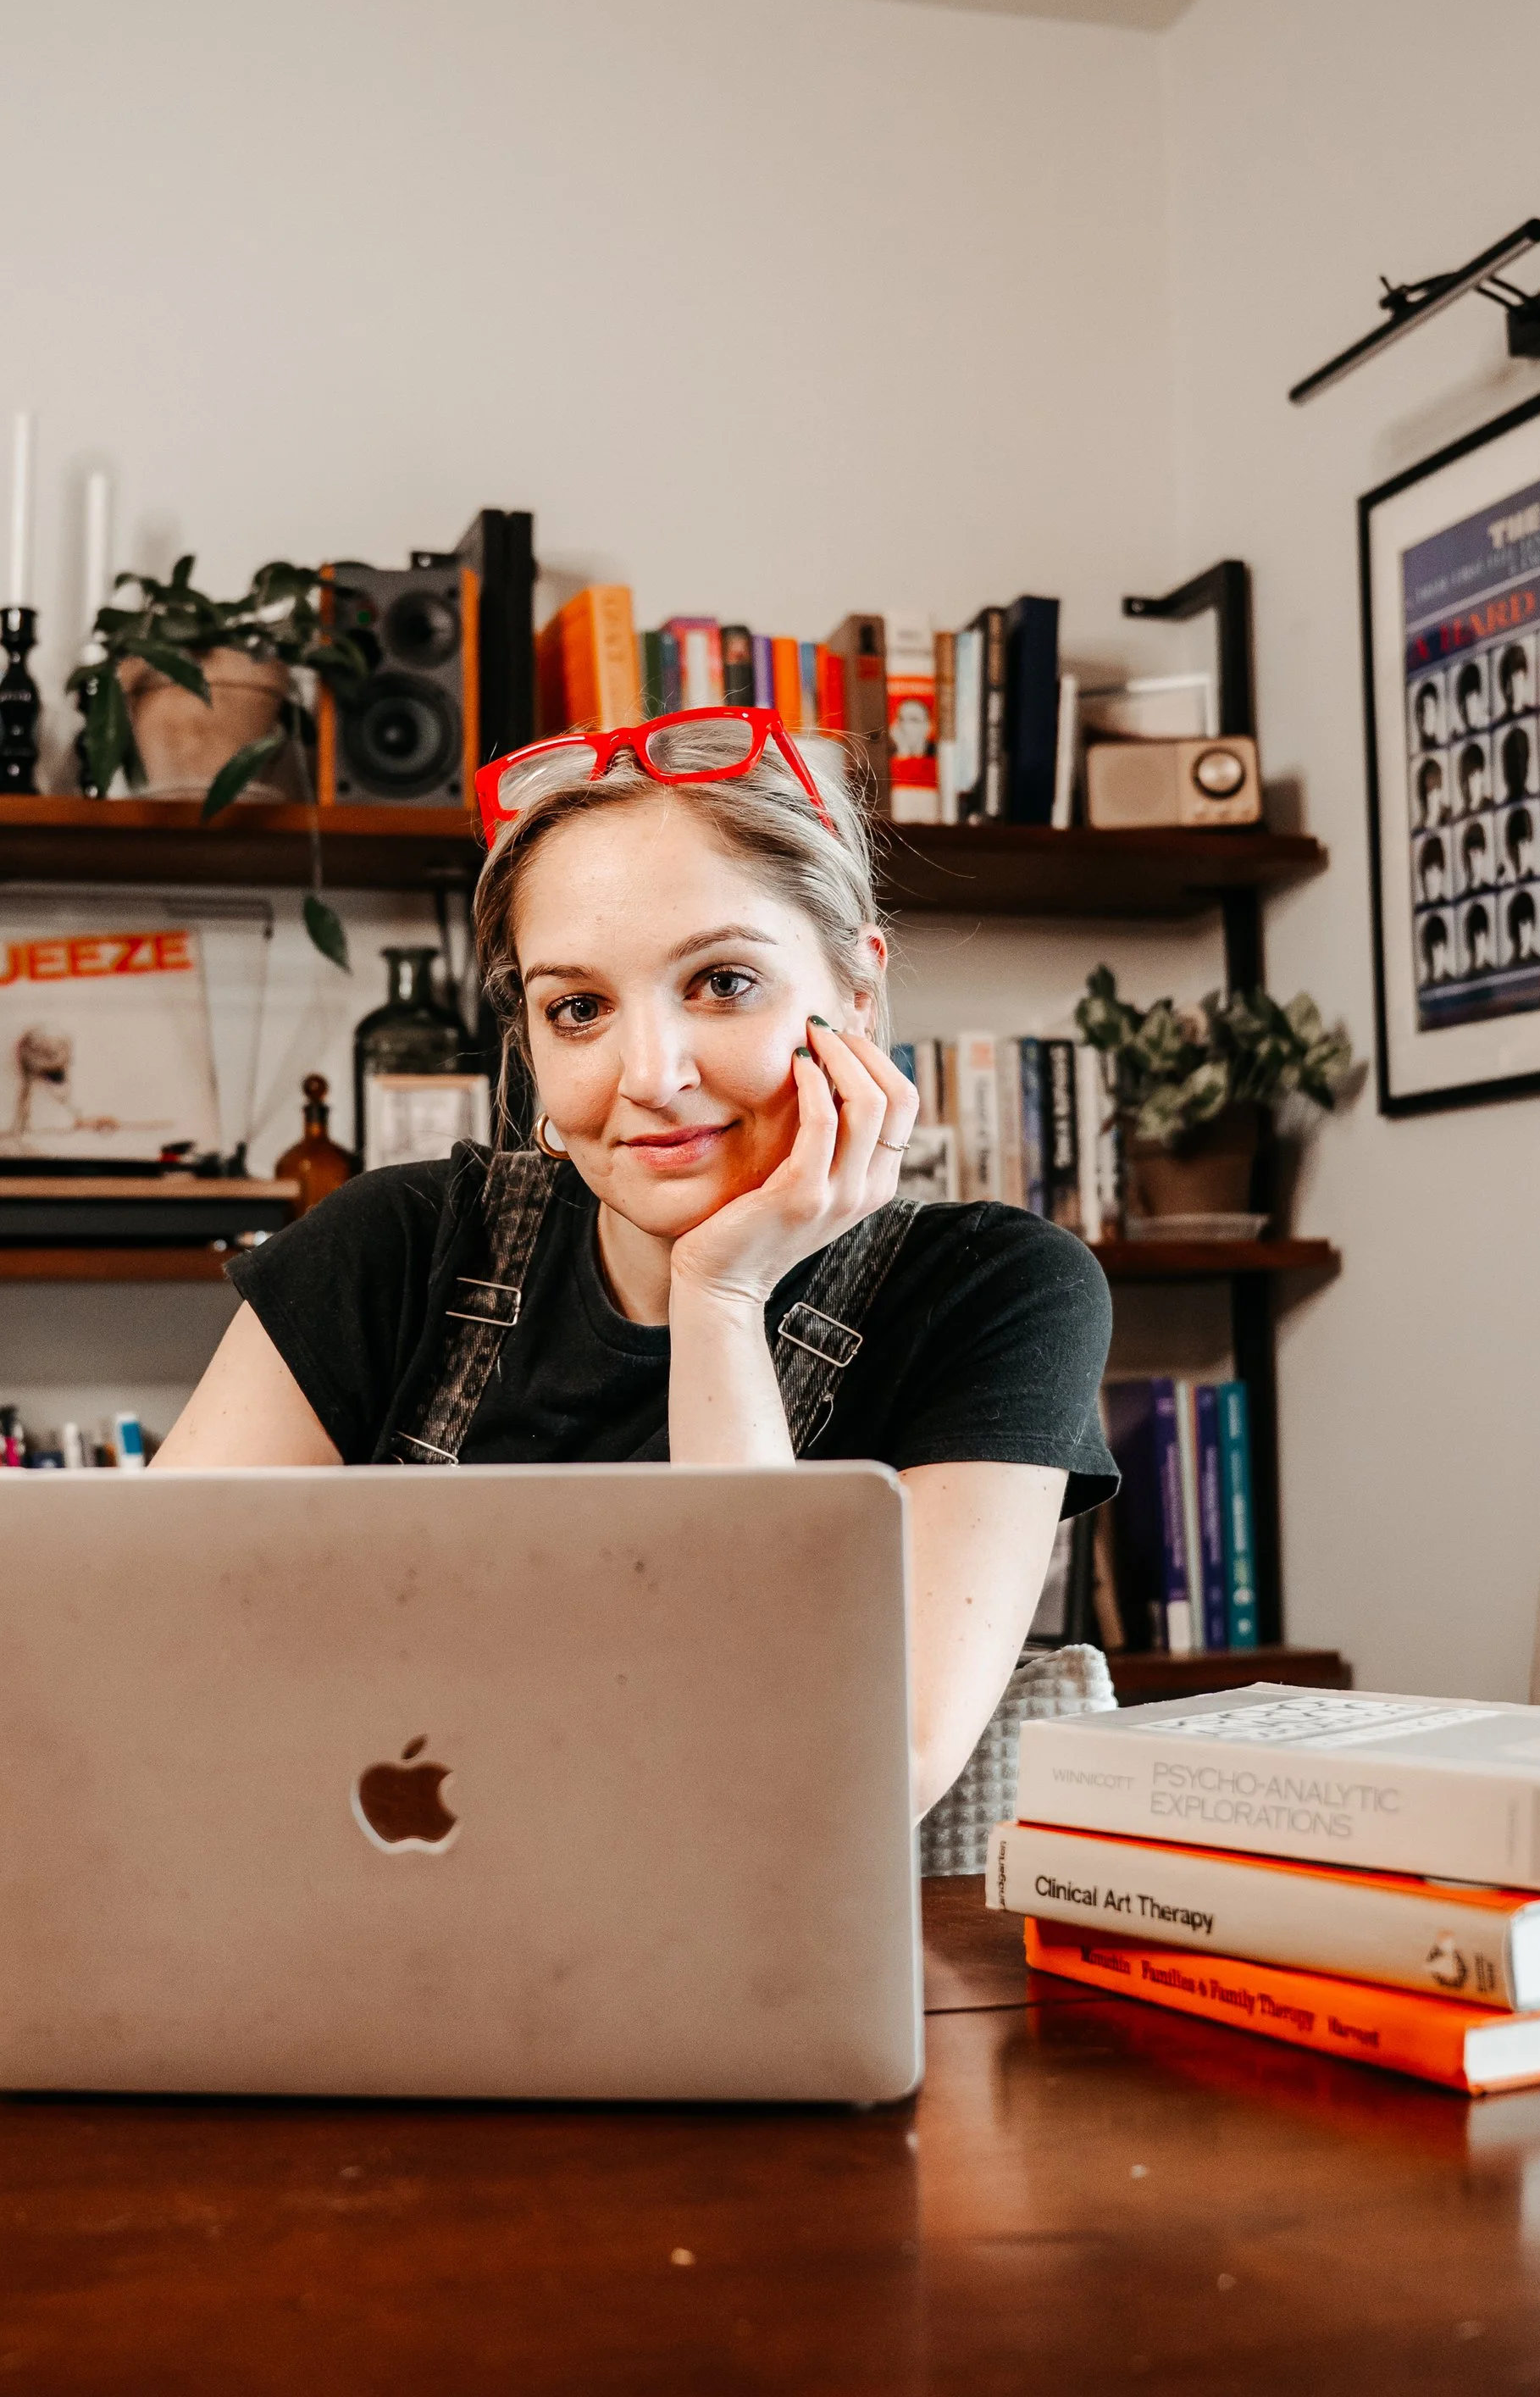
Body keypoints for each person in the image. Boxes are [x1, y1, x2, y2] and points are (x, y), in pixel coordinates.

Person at [156, 710, 1118, 1817]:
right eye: (579, 1008)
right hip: (354, 1940)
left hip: (766, 1969)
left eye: (721, 983)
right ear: (529, 1042)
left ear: (856, 991)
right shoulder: (389, 1248)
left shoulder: (994, 1292)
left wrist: (723, 1293)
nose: (650, 1074)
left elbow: (849, 1782)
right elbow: (147, 1657)